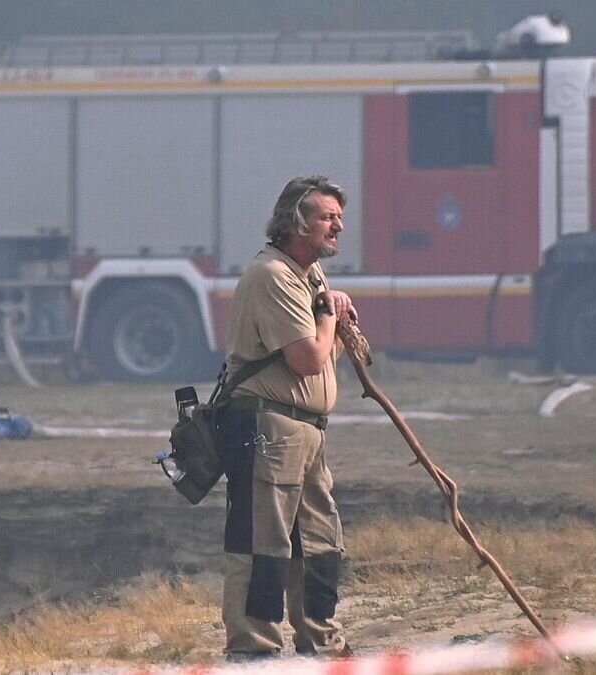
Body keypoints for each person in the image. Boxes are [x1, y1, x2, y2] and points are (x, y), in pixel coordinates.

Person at [218, 175, 357, 661]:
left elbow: (328, 353)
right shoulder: (273, 277)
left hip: (307, 431)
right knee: (264, 545)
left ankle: (320, 642)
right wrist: (329, 316)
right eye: (326, 216)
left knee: (319, 543)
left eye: (339, 216)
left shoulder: (309, 274)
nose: (338, 225)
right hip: (269, 429)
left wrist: (331, 314)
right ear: (297, 222)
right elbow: (307, 360)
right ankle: (253, 650)